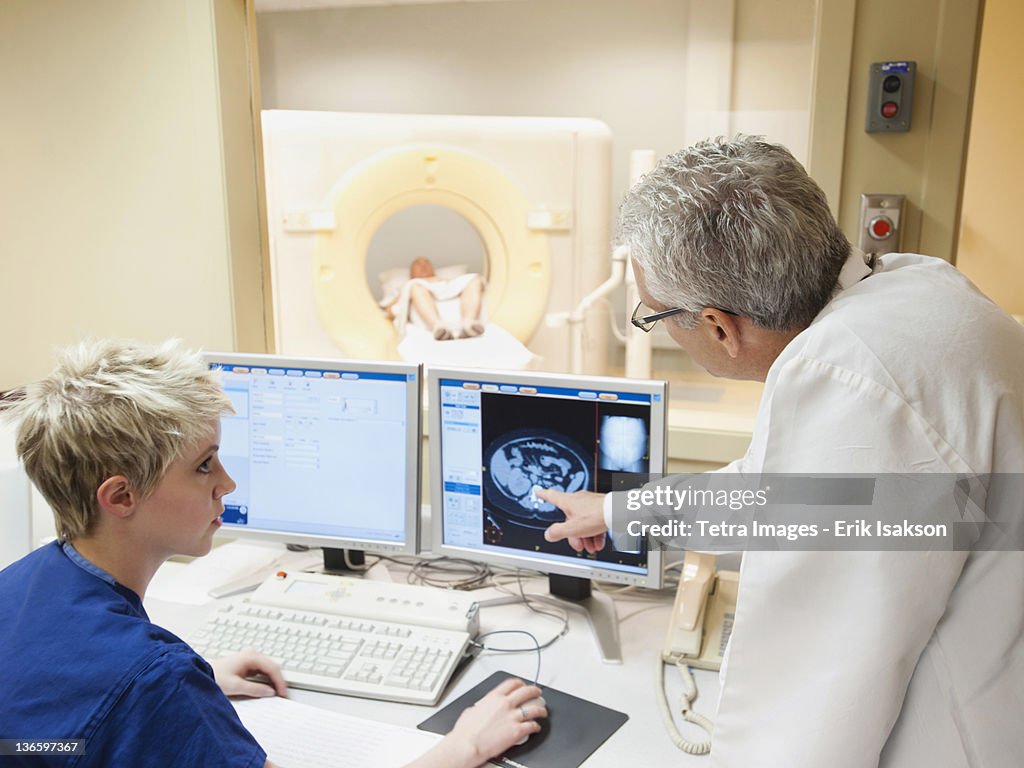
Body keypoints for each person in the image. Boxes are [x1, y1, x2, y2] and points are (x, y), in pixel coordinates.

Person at [536, 136, 1024, 766]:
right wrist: (618, 511)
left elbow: (812, 679)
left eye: (653, 316)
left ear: (717, 325)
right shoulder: (914, 291)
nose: (654, 325)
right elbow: (792, 497)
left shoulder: (847, 376)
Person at [0, 339, 546, 768]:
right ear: (121, 496)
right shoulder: (154, 680)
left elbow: (42, 738)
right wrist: (465, 747)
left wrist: (193, 686)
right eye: (204, 466)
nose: (229, 484)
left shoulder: (20, 584)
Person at [383, 257, 486, 341]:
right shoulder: (409, 286)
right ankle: (438, 327)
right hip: (425, 313)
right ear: (411, 274)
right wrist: (404, 293)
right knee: (415, 286)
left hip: (457, 306)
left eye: (426, 263)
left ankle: (469, 323)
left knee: (474, 279)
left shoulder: (451, 282)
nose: (423, 266)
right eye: (418, 264)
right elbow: (391, 311)